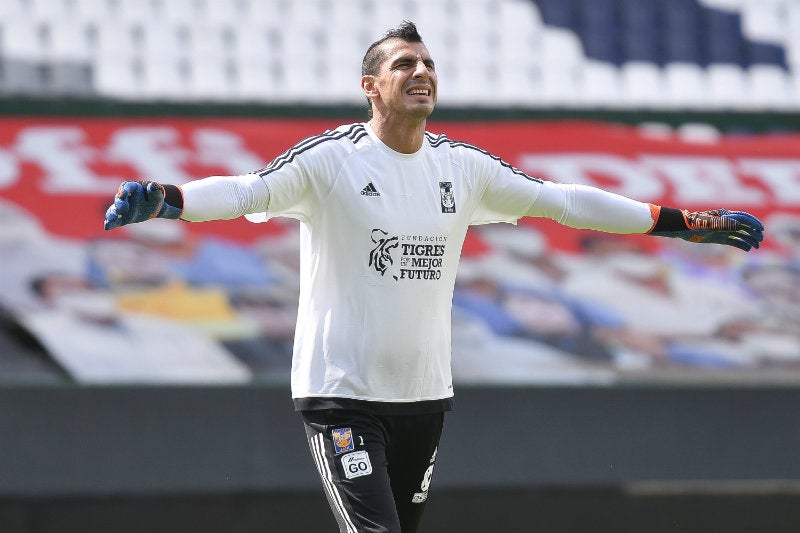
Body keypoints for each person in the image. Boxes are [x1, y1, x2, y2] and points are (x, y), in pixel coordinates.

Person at [102, 21, 764, 533]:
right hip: (342, 395)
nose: (421, 73)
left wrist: (681, 221)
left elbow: (565, 200)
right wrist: (170, 198)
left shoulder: (464, 168)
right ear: (371, 86)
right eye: (403, 65)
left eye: (428, 64)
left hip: (423, 396)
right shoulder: (330, 161)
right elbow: (247, 190)